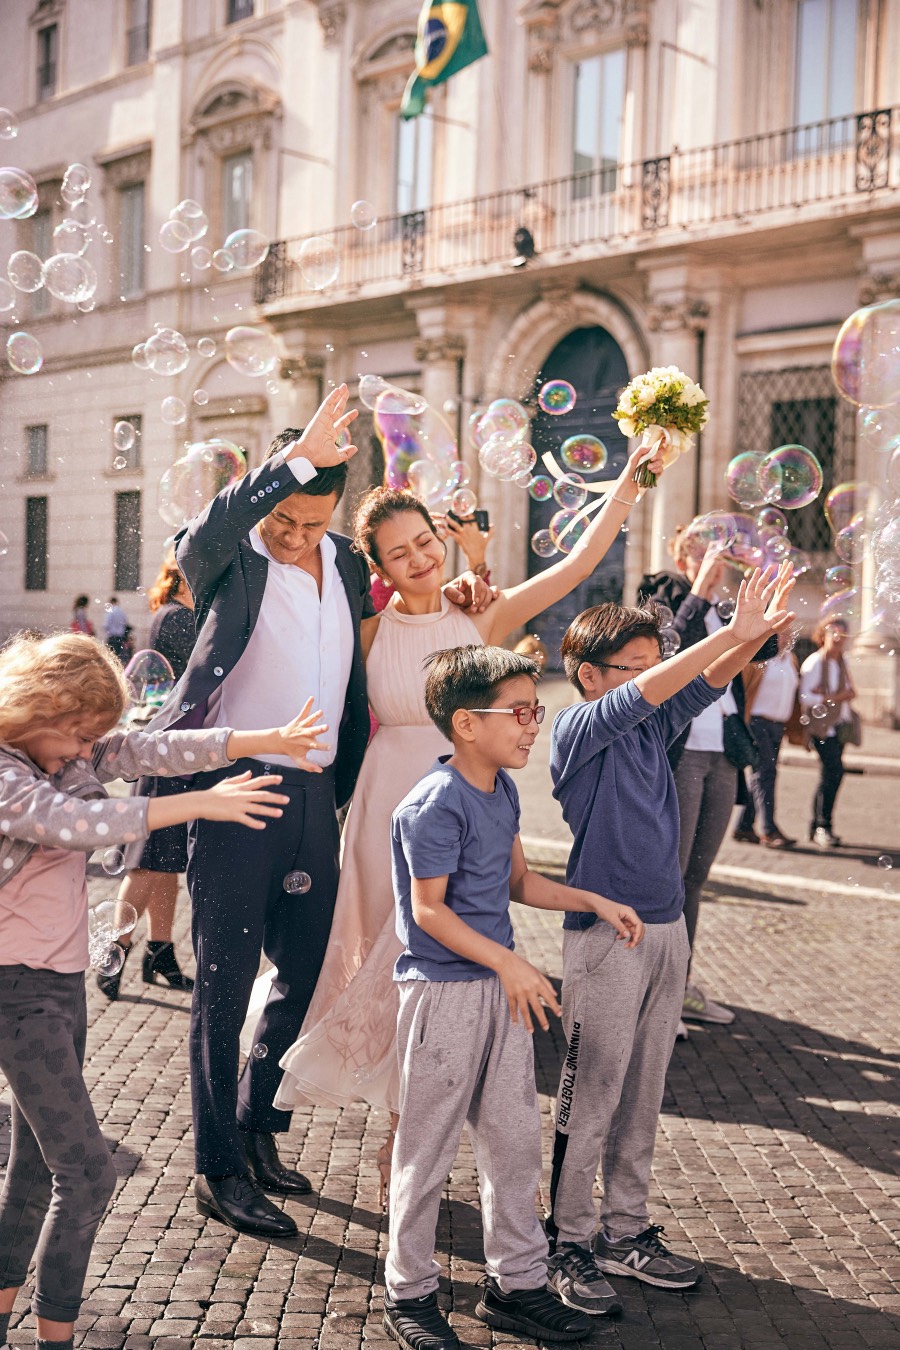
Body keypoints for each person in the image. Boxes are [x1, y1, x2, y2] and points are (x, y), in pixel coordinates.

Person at [266, 439, 665, 1202]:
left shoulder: (480, 616)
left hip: (466, 800)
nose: (418, 558)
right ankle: (393, 1133)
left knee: (447, 962)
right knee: (388, 974)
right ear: (377, 568)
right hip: (384, 812)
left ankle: (412, 1143)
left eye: (425, 542)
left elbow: (575, 568)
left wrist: (626, 482)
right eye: (399, 552)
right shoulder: (365, 634)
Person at [147, 385, 489, 1238]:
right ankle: (218, 1169)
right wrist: (292, 460)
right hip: (236, 788)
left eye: (310, 520)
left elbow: (417, 612)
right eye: (284, 517)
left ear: (334, 516)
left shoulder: (343, 563)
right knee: (222, 989)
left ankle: (260, 1128)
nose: (294, 535)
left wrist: (473, 586)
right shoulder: (231, 556)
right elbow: (214, 530)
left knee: (301, 975)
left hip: (315, 797)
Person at [0, 631, 324, 1350]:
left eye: (93, 736)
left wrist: (263, 737)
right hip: (13, 994)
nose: (88, 750)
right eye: (79, 733)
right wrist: (199, 806)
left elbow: (155, 749)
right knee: (84, 1175)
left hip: (59, 989)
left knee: (30, 1170)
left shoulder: (72, 747)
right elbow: (73, 823)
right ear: (35, 707)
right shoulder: (5, 772)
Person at [543, 564, 795, 1312]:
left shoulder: (657, 721)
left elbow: (704, 681)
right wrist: (729, 633)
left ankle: (624, 1230)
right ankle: (565, 1237)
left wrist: (746, 642)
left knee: (644, 1094)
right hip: (603, 935)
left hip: (665, 928)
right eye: (635, 667)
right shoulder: (579, 726)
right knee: (589, 1093)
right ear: (591, 676)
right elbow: (655, 688)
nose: (652, 679)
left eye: (654, 664)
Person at [384, 645, 644, 1350]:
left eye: (537, 710)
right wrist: (510, 963)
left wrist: (593, 898)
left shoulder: (501, 789)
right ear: (467, 723)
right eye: (522, 712)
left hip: (499, 993)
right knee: (426, 1152)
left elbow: (517, 881)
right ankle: (408, 1292)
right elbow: (430, 912)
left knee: (513, 1147)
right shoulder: (433, 804)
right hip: (443, 997)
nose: (536, 724)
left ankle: (518, 1284)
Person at [645, 534, 777, 1027]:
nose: (715, 559)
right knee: (670, 878)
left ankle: (679, 986)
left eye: (718, 551)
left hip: (723, 754)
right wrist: (699, 586)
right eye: (701, 551)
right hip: (682, 754)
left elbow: (756, 654)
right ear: (682, 558)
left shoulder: (725, 608)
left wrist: (774, 612)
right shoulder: (663, 595)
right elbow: (665, 648)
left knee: (696, 879)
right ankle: (655, 996)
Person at [97, 557, 198, 1000]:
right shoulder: (178, 618)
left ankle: (160, 951)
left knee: (166, 861)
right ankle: (113, 949)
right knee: (147, 858)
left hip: (175, 754)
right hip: (164, 757)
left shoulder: (179, 615)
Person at [733, 628, 800, 848]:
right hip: (757, 722)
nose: (786, 637)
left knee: (762, 776)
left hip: (777, 726)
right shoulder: (760, 660)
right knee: (766, 773)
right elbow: (742, 690)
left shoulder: (791, 659)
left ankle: (743, 826)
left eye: (789, 633)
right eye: (781, 633)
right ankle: (769, 830)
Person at [800, 618, 856, 847]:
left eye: (843, 634)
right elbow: (804, 697)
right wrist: (834, 697)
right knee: (833, 772)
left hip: (839, 726)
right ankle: (822, 826)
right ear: (823, 635)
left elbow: (851, 690)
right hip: (821, 728)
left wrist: (838, 696)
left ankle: (819, 827)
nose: (839, 638)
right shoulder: (814, 663)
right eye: (834, 633)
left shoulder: (843, 662)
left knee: (831, 775)